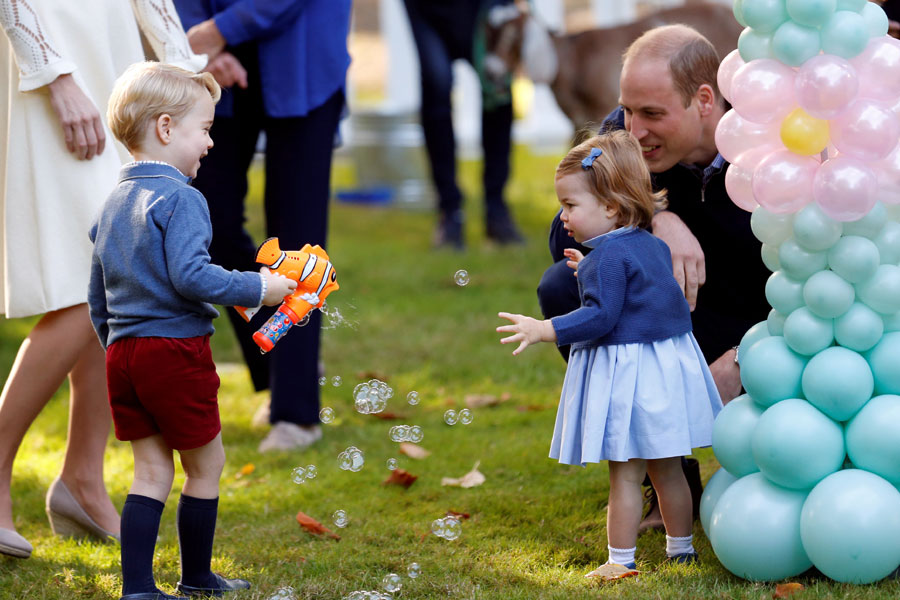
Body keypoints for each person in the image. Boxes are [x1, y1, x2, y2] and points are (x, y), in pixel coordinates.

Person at [536, 25, 770, 532]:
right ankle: (668, 482)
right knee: (564, 288)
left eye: (653, 115)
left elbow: (819, 285)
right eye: (627, 110)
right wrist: (650, 219)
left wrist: (748, 357)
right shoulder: (624, 137)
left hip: (769, 331)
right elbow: (566, 233)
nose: (634, 131)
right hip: (675, 324)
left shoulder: (770, 141)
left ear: (704, 100)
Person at [0, 0, 204, 559]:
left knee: (115, 275)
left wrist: (183, 68)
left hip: (113, 57)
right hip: (50, 54)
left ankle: (82, 479)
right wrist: (54, 75)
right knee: (76, 281)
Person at [89, 62, 296, 599]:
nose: (208, 143)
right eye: (203, 129)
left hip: (124, 354)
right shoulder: (182, 198)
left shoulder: (111, 205)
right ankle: (196, 576)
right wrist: (260, 289)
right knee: (207, 464)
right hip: (174, 351)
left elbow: (97, 296)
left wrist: (117, 346)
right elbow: (192, 275)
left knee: (151, 472)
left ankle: (137, 588)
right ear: (165, 128)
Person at [497, 131, 722, 576]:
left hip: (629, 379)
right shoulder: (652, 245)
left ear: (611, 208)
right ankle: (682, 549)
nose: (563, 217)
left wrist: (546, 328)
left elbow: (600, 318)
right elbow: (644, 293)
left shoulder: (606, 260)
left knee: (624, 472)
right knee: (667, 469)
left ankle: (619, 561)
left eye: (570, 205)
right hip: (663, 372)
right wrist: (593, 270)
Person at [172, 0, 352, 453]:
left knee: (298, 239)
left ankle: (295, 410)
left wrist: (221, 29)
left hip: (302, 48)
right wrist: (199, 41)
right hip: (211, 60)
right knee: (205, 224)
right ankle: (284, 366)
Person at [402, 0, 524, 249]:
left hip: (484, 6)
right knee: (436, 87)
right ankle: (450, 211)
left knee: (497, 90)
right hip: (427, 9)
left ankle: (496, 208)